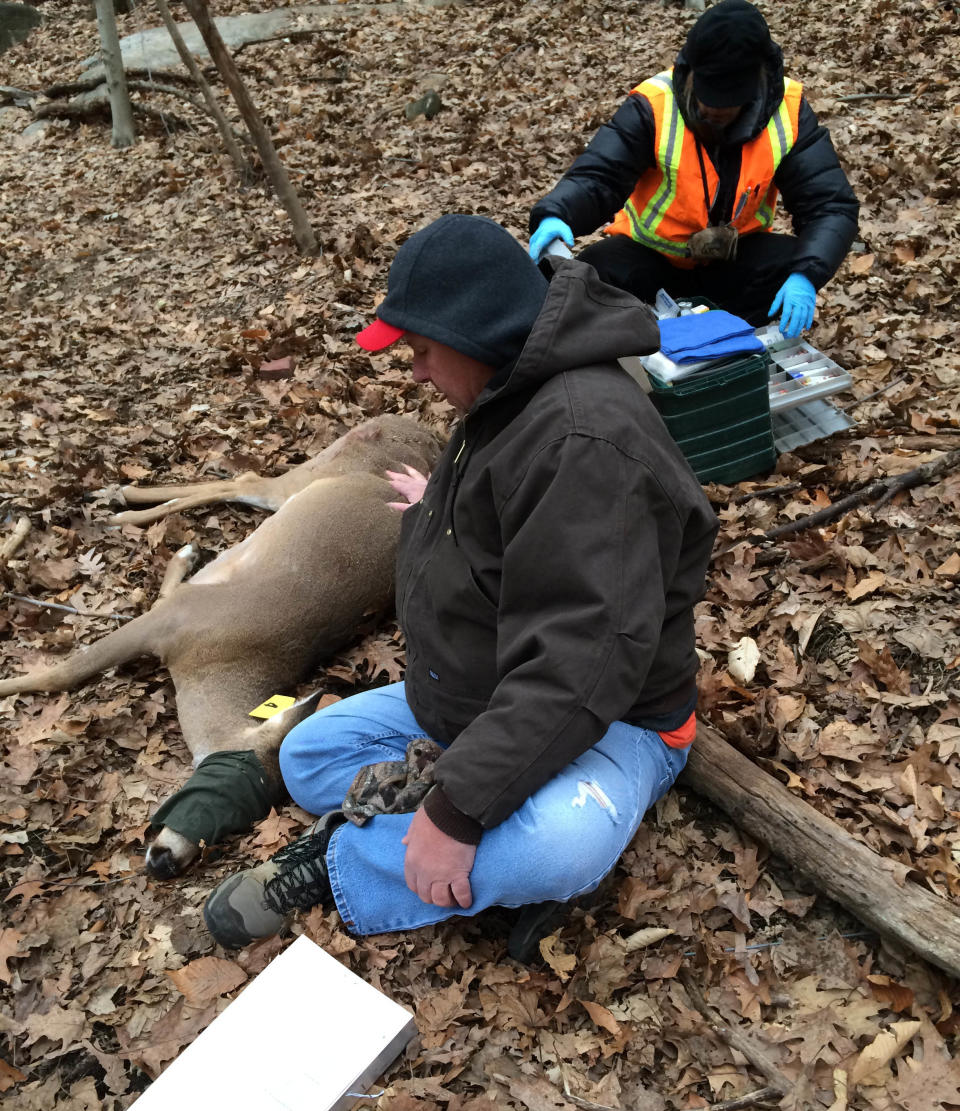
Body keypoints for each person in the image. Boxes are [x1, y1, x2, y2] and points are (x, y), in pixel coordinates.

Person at [202, 214, 718, 950]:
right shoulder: (506, 394)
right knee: (306, 755)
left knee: (555, 847)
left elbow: (585, 660)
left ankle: (344, 858)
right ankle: (468, 821)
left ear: (476, 335)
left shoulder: (583, 444)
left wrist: (458, 812)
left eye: (420, 351)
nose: (414, 371)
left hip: (616, 718)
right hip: (487, 689)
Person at [528, 0, 858, 337]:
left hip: (734, 262)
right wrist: (558, 212)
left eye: (727, 101)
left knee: (792, 263)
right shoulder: (654, 103)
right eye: (707, 94)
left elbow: (829, 205)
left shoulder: (789, 110)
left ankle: (730, 343)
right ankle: (643, 348)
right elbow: (600, 176)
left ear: (756, 85)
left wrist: (806, 276)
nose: (712, 108)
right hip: (650, 259)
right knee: (592, 272)